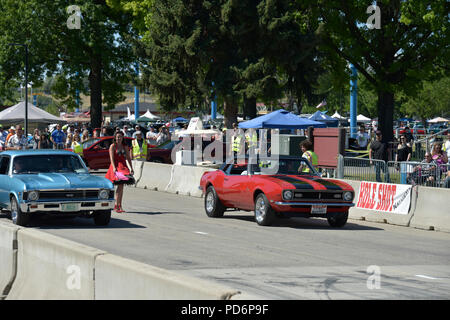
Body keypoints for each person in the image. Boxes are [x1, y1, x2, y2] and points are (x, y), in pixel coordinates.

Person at [104, 131, 134, 213]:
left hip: (123, 167)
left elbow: (128, 157)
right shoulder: (112, 146)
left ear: (122, 138)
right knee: (115, 187)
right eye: (117, 137)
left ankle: (119, 205)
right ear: (115, 138)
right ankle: (116, 205)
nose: (118, 138)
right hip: (115, 167)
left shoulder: (125, 146)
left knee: (121, 187)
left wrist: (131, 168)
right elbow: (111, 158)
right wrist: (114, 168)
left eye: (120, 137)